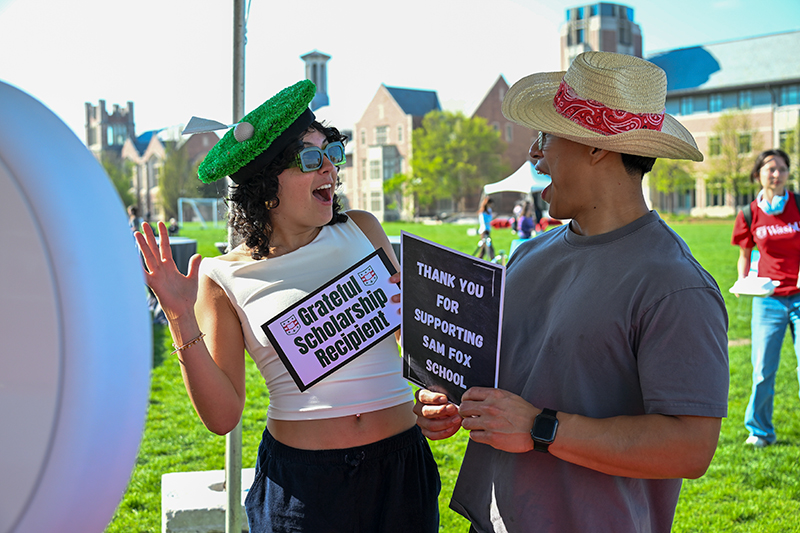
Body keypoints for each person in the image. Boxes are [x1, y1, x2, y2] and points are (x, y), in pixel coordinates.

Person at [414, 51, 729, 533]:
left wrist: (541, 428)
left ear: (595, 146)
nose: (535, 154)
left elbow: (690, 447)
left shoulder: (675, 285)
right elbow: (514, 379)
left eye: (546, 137)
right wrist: (453, 402)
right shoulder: (524, 257)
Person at [135, 80, 440, 532]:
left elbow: (411, 339)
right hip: (303, 491)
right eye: (311, 159)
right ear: (265, 183)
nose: (331, 172)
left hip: (401, 471)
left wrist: (435, 393)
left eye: (332, 153)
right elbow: (222, 416)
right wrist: (180, 317)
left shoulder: (364, 229)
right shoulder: (223, 277)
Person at [731, 148, 798, 448]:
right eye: (770, 168)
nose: (776, 173)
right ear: (757, 174)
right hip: (768, 300)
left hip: (799, 297)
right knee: (762, 370)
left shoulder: (799, 204)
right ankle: (760, 431)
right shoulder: (749, 213)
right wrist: (743, 282)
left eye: (782, 168)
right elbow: (744, 256)